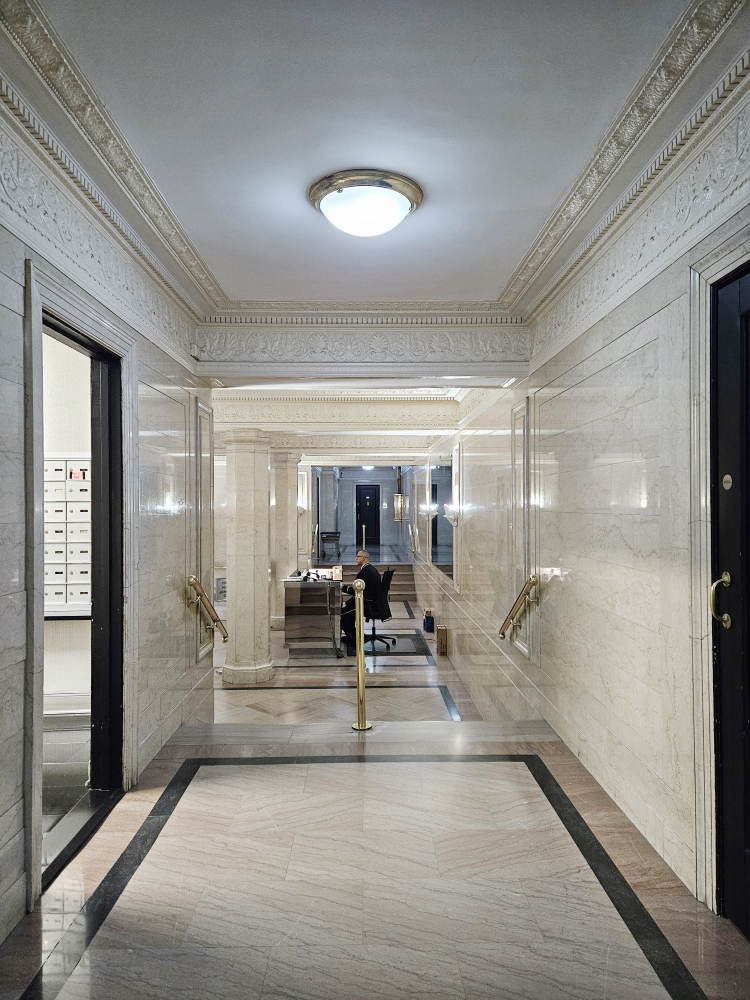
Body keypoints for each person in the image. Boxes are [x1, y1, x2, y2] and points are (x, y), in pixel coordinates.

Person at [341, 550, 380, 647]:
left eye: (358, 556)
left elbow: (357, 591)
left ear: (363, 558)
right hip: (372, 602)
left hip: (367, 604)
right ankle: (352, 636)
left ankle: (359, 637)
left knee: (341, 614)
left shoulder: (364, 572)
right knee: (348, 610)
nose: (356, 558)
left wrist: (342, 588)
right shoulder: (371, 569)